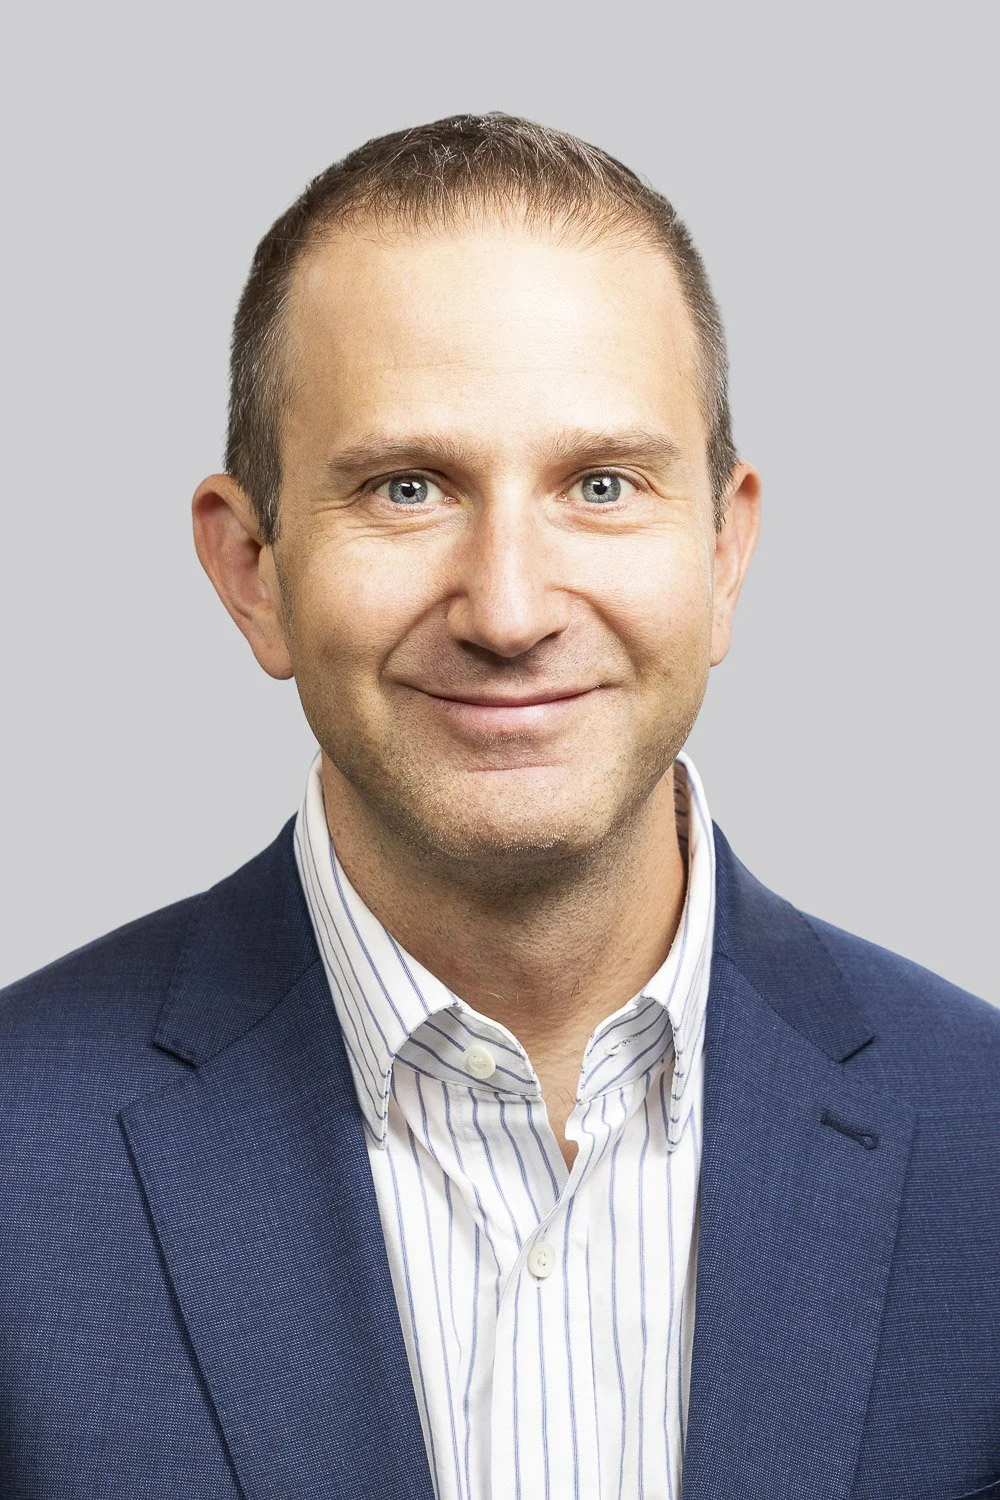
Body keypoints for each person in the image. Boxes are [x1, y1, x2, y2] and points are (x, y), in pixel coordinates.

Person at [1, 112, 997, 1500]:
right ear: (250, 569)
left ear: (723, 550)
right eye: (408, 488)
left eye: (600, 484)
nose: (512, 609)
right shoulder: (13, 1155)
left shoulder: (984, 1140)